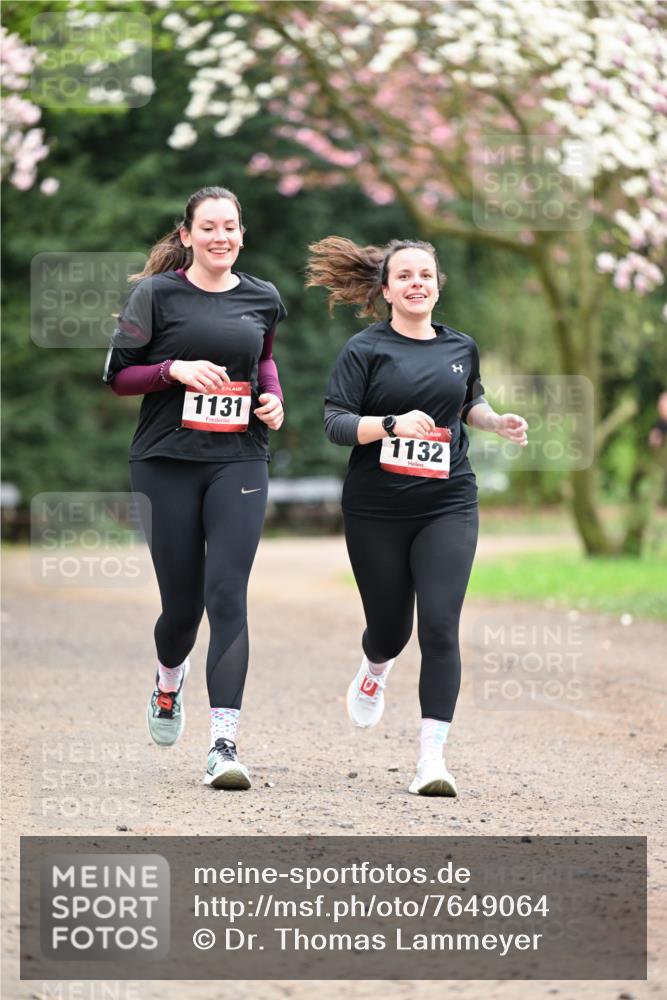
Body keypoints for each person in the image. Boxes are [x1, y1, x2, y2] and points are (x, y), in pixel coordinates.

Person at [308, 236, 527, 797]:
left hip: (447, 501)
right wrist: (387, 425)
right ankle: (375, 667)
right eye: (404, 276)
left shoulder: (460, 346)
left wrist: (494, 420)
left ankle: (432, 760)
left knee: (439, 626)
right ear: (386, 290)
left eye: (425, 275)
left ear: (437, 284)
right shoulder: (365, 349)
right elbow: (335, 423)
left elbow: (467, 401)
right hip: (376, 507)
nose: (416, 284)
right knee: (391, 630)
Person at [103, 186, 287, 790]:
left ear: (241, 234)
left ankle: (223, 744)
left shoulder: (263, 297)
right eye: (208, 228)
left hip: (238, 459)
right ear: (186, 236)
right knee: (183, 610)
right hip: (165, 462)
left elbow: (262, 359)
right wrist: (172, 370)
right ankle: (166, 680)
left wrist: (273, 399)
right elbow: (118, 376)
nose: (220, 238)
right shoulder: (154, 295)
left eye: (230, 227)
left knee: (228, 594)